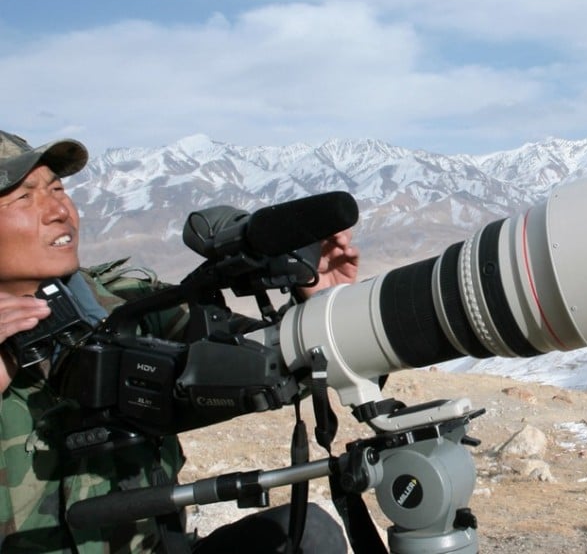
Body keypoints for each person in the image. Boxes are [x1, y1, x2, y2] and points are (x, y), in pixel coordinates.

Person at [0, 130, 360, 553]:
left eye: (58, 189)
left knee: (308, 534)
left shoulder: (128, 307)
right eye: (24, 197)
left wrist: (324, 309)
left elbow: (271, 361)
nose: (59, 210)